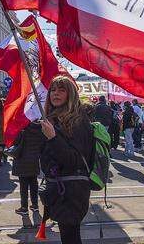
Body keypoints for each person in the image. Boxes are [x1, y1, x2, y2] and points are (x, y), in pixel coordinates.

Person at [39, 75, 93, 244]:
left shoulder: (79, 120)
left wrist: (53, 138)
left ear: (71, 94)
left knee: (70, 237)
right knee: (68, 236)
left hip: (72, 190)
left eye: (62, 90)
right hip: (60, 187)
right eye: (53, 90)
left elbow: (74, 160)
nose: (56, 93)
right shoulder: (54, 118)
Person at [12, 121, 46, 215]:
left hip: (22, 160)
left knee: (23, 186)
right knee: (34, 183)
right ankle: (35, 205)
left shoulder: (22, 129)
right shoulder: (40, 129)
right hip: (34, 160)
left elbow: (15, 142)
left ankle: (24, 207)